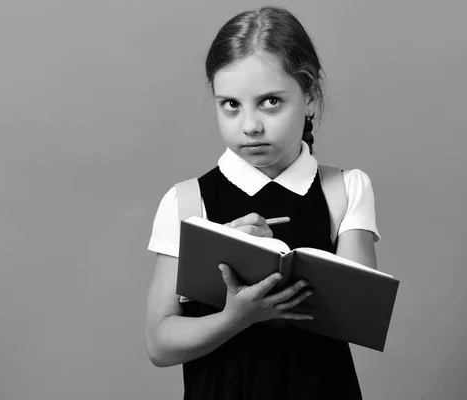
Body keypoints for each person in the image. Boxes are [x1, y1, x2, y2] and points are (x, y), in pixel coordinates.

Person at [145, 6, 380, 399]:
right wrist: (236, 313)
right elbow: (160, 343)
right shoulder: (187, 202)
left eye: (271, 101)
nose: (250, 126)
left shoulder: (345, 189)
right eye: (231, 104)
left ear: (309, 97)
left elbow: (360, 318)